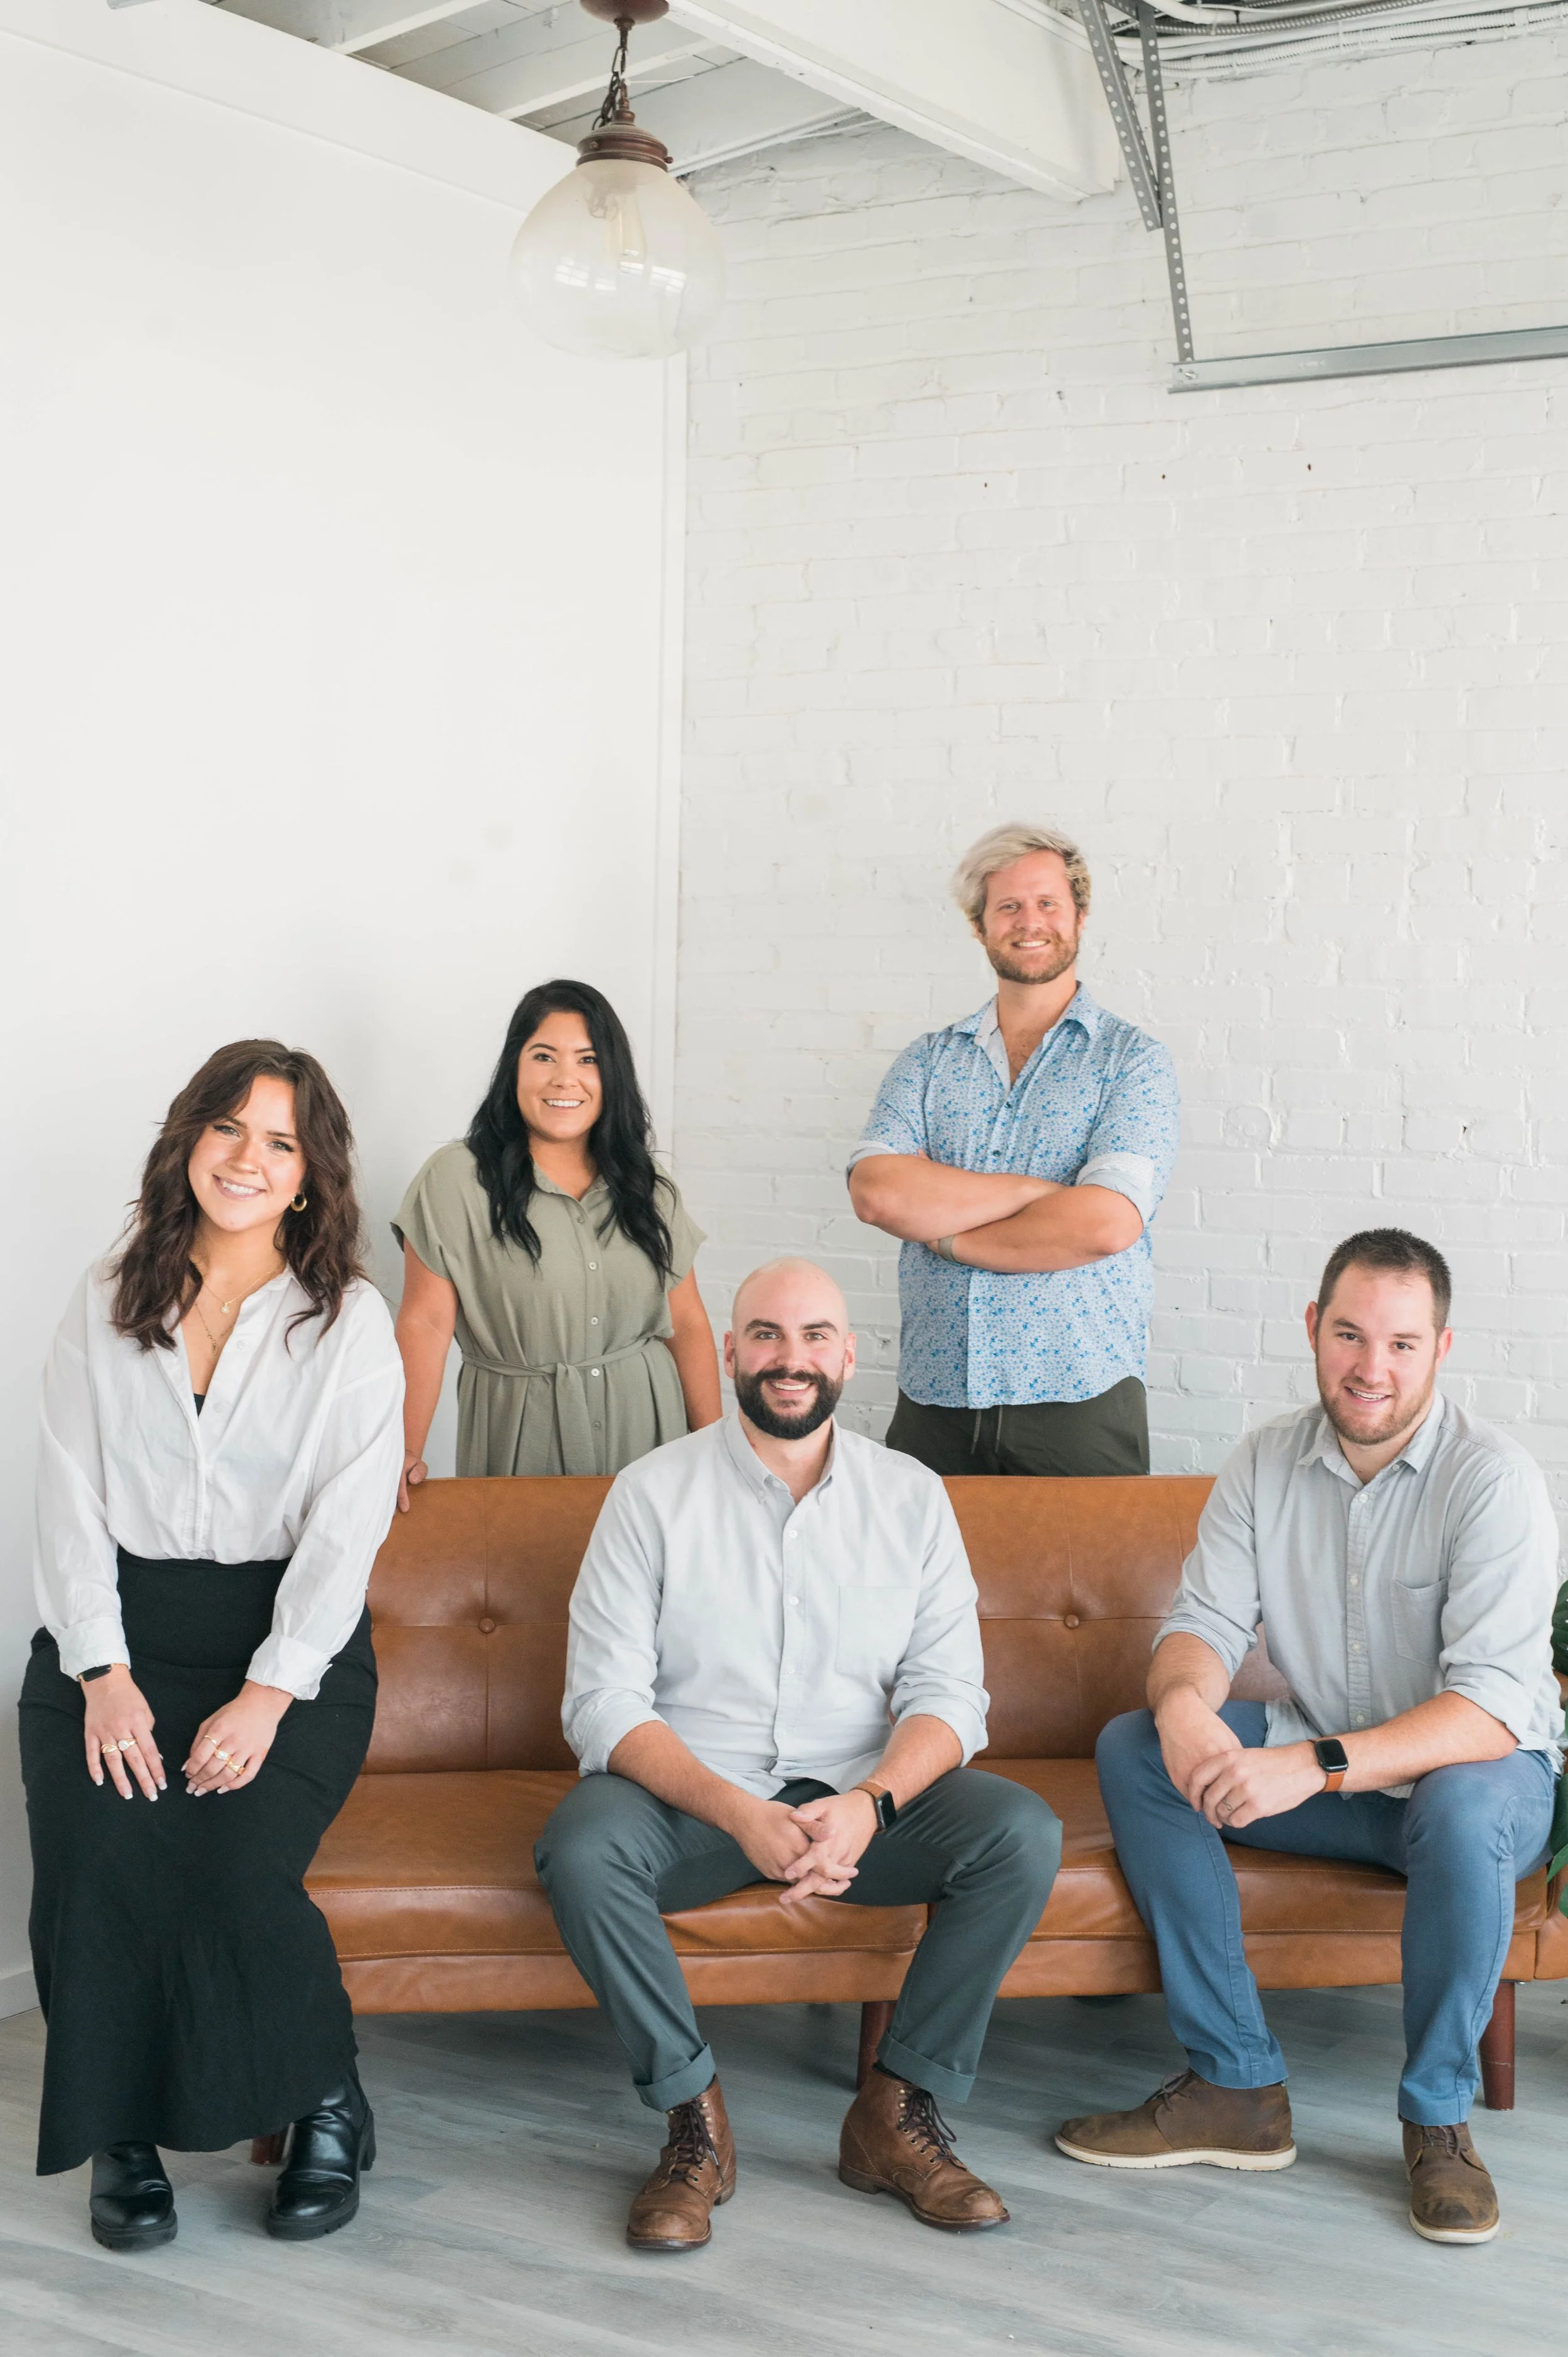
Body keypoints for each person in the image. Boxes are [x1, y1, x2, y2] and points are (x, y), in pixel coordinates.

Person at [536, 1257, 1061, 2252]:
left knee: (1020, 1833)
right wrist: (741, 1812)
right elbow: (600, 1702)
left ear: (849, 1356)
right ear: (730, 1351)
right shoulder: (650, 1494)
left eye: (815, 1335)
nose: (792, 1357)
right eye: (767, 1335)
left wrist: (870, 1802)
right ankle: (695, 2122)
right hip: (698, 1801)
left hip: (863, 1805)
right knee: (582, 1844)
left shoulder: (911, 1496)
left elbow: (952, 1695)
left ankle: (894, 2114)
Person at [1057, 1229, 1561, 2248]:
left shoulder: (1494, 1479)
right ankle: (1234, 2081)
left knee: (1460, 1797)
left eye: (1402, 1343)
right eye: (1349, 1333)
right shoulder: (1263, 1461)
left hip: (1476, 1784)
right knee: (1136, 1746)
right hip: (1332, 1772)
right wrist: (1188, 1704)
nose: (1372, 1366)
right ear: (1312, 1330)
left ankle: (1437, 2119)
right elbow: (1197, 1627)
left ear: (1442, 1348)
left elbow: (1491, 1710)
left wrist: (1311, 1764)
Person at [21, 1041, 404, 2250]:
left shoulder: (347, 1319)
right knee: (100, 1857)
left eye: (280, 1140)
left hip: (288, 1648)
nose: (249, 1156)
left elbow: (346, 1534)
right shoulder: (107, 1291)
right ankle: (118, 2132)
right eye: (229, 1127)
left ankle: (324, 2095)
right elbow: (66, 1490)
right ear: (190, 1141)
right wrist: (102, 1669)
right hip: (114, 1638)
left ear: (309, 1175)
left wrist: (268, 1694)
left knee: (236, 1866)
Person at [847, 822, 1179, 1478]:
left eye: (1048, 902)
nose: (1030, 922)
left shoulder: (1132, 1061)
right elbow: (877, 1192)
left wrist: (944, 1235)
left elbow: (1106, 1222)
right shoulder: (928, 1061)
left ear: (1080, 916)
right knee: (921, 1584)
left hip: (1080, 1395)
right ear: (980, 926)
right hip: (935, 1396)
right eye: (1008, 906)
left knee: (1095, 1584)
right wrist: (1035, 1193)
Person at [394, 979, 719, 1502]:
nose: (565, 1078)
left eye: (587, 1060)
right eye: (544, 1056)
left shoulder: (646, 1185)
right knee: (523, 1577)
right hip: (522, 1434)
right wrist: (403, 1450)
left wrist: (714, 1449)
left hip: (650, 1433)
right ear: (514, 1068)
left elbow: (687, 1323)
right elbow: (426, 1323)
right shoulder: (455, 1179)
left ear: (611, 1075)